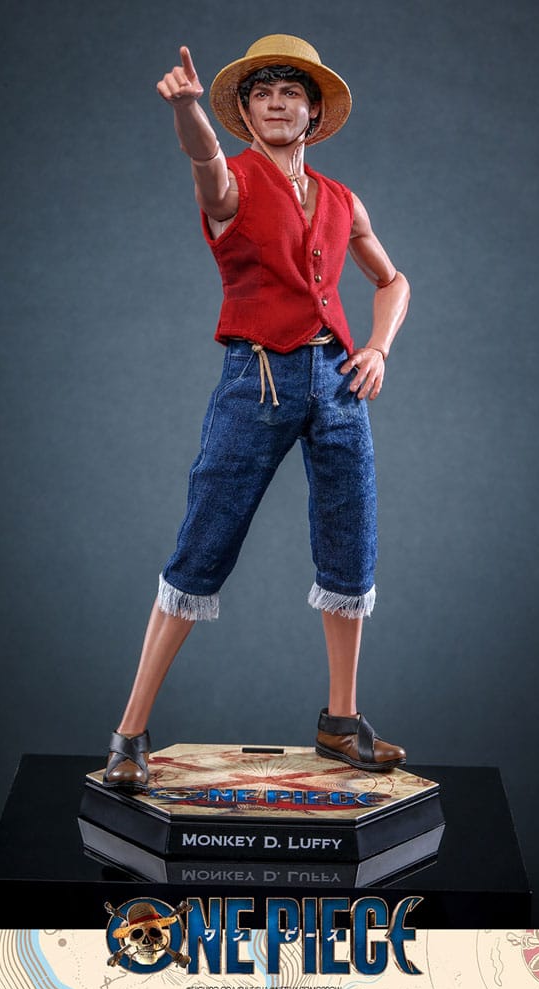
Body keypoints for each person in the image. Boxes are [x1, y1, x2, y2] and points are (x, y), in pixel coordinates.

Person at [103, 35, 411, 794]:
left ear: (313, 113)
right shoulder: (234, 181)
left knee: (351, 543)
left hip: (337, 382)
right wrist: (187, 110)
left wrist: (377, 348)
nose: (277, 103)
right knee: (204, 544)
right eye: (263, 93)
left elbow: (392, 279)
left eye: (291, 93)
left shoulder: (342, 198)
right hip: (258, 378)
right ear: (244, 113)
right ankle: (130, 733)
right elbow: (204, 163)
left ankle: (341, 720)